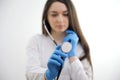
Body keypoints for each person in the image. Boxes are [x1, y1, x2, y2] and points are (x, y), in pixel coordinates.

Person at [26, 0, 93, 80]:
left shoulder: (80, 45)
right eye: (54, 15)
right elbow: (30, 74)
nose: (60, 20)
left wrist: (73, 57)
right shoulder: (36, 41)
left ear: (72, 16)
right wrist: (47, 75)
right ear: (46, 17)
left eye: (65, 14)